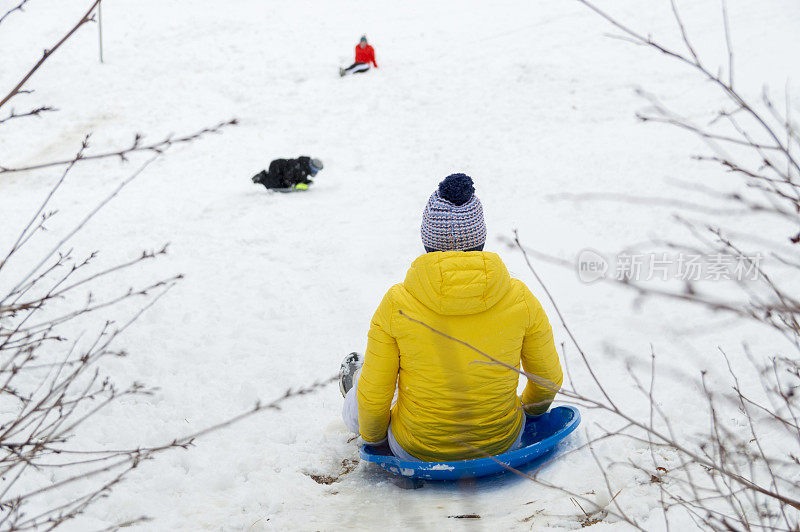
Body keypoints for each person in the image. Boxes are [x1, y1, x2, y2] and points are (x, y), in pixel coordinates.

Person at [339, 173, 563, 462]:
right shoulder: (520, 297)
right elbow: (548, 379)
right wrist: (527, 413)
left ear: (427, 241)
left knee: (367, 388)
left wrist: (378, 442)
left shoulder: (397, 302)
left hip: (415, 449)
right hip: (502, 443)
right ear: (480, 239)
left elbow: (373, 399)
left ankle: (355, 378)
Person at [251, 156, 323, 190]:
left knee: (281, 184)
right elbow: (288, 176)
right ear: (311, 166)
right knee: (276, 186)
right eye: (315, 170)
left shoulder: (304, 168)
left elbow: (298, 178)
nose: (315, 172)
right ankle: (262, 177)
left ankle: (265, 176)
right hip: (277, 167)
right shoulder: (300, 169)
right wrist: (291, 184)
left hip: (280, 167)